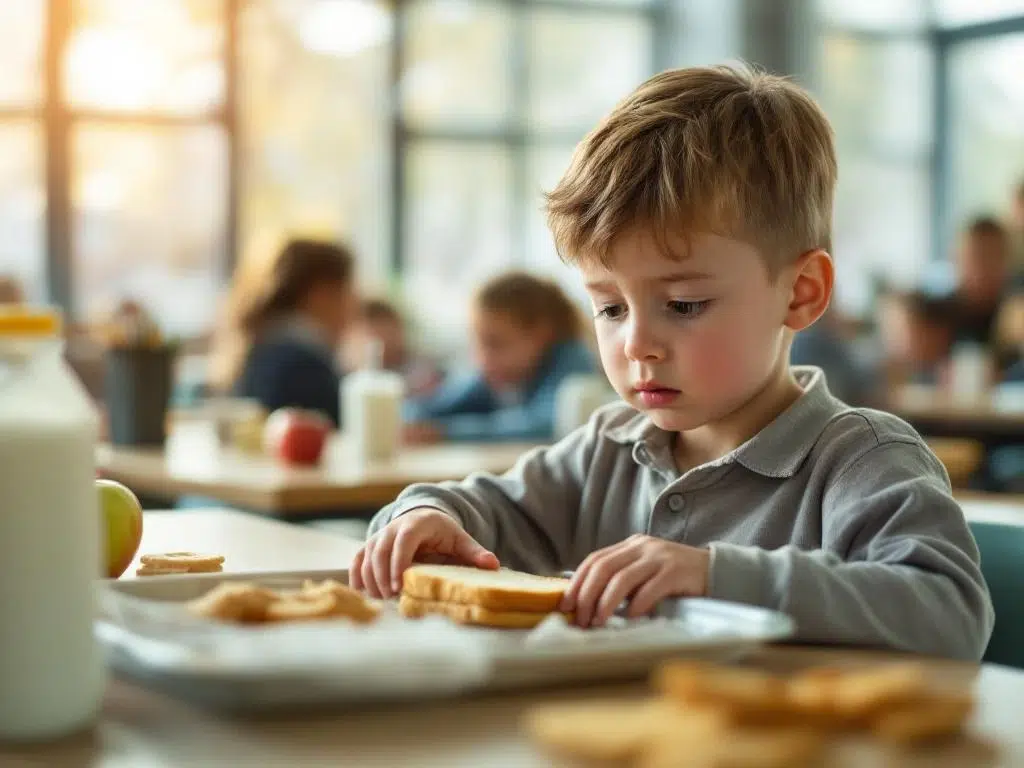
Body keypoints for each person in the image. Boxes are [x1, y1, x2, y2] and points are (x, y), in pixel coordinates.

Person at [353, 65, 992, 660]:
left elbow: (951, 612)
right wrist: (423, 517)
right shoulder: (607, 449)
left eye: (683, 305)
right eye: (609, 309)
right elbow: (473, 508)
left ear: (800, 294)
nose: (636, 344)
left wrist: (715, 575)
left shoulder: (861, 460)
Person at [403, 272, 597, 443]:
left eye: (495, 343)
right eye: (477, 343)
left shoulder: (573, 362)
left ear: (540, 334)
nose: (482, 359)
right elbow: (432, 409)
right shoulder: (494, 373)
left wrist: (443, 433)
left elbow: (546, 425)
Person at [208, 239, 356, 426]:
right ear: (321, 294)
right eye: (348, 290)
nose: (354, 303)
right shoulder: (303, 364)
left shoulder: (262, 346)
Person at [345, 298, 444, 398]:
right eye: (374, 333)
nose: (385, 339)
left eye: (388, 331)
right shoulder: (353, 375)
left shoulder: (417, 362)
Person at [947, 216, 1011, 348]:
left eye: (993, 257)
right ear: (955, 259)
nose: (983, 268)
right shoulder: (935, 318)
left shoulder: (1015, 314)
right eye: (974, 257)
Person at [877, 291, 955, 389]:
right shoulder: (879, 373)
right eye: (888, 330)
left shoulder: (953, 370)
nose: (892, 341)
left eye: (900, 331)